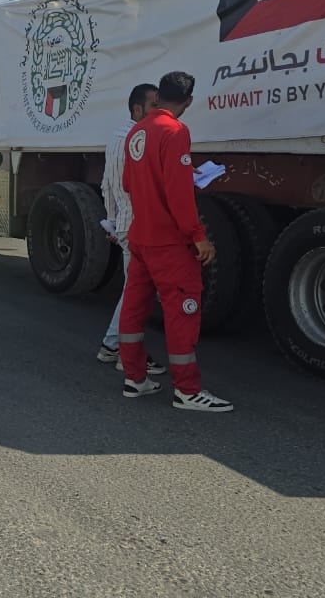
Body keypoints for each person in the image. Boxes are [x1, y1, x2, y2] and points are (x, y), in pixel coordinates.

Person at [118, 71, 234, 412]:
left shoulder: (136, 132)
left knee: (133, 309)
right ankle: (187, 390)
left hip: (141, 237)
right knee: (183, 310)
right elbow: (179, 195)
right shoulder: (175, 130)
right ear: (188, 101)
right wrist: (199, 237)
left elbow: (128, 183)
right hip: (168, 242)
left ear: (158, 97)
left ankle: (135, 378)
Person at [96, 84, 165, 376]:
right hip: (138, 226)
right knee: (136, 293)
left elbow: (106, 184)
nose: (159, 113)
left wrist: (113, 221)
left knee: (133, 290)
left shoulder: (116, 137)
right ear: (138, 109)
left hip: (125, 223)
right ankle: (125, 351)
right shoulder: (138, 140)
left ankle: (113, 346)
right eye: (154, 106)